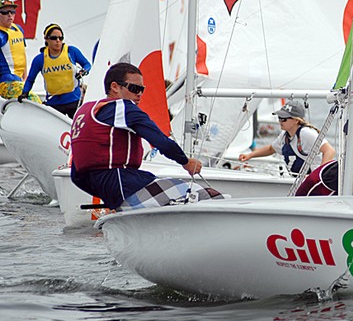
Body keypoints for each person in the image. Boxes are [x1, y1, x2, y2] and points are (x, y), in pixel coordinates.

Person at [70, 62, 221, 211]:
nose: (139, 94)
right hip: (121, 182)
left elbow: (77, 166)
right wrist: (186, 162)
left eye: (142, 89)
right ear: (115, 87)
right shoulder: (123, 107)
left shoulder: (85, 110)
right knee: (210, 195)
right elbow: (161, 142)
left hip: (95, 185)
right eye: (134, 88)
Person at [239, 100, 336, 175]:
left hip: (311, 182)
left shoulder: (306, 133)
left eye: (284, 119)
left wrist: (319, 175)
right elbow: (270, 149)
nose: (280, 121)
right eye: (279, 118)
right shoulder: (284, 135)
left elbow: (329, 151)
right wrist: (250, 156)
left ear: (296, 120)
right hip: (295, 180)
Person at [20, 23, 91, 118]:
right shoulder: (40, 59)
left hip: (74, 101)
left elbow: (87, 64)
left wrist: (84, 71)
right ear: (46, 39)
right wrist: (25, 92)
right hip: (54, 103)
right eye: (54, 38)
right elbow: (30, 79)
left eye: (60, 38)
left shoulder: (71, 51)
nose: (58, 41)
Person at [0, 0, 40, 103]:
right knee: (34, 100)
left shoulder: (18, 29)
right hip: (6, 82)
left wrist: (25, 78)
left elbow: (22, 54)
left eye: (12, 12)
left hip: (19, 81)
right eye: (5, 12)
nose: (9, 15)